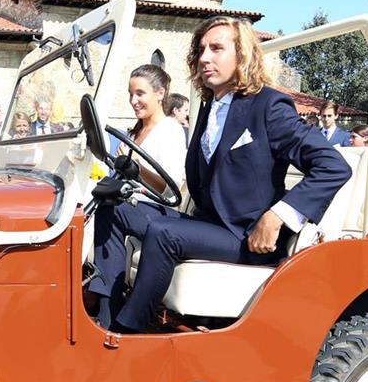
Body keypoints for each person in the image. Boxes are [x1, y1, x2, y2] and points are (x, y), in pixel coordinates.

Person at [101, 17, 352, 334]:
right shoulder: (209, 107)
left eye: (217, 48)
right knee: (115, 207)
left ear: (242, 54)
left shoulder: (269, 106)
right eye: (202, 49)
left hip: (246, 236)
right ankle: (104, 313)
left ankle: (129, 331)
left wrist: (277, 216)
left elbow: (333, 166)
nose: (205, 57)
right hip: (208, 223)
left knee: (165, 233)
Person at [87, 65, 188, 329]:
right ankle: (96, 294)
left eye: (140, 93)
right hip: (134, 208)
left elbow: (170, 187)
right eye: (131, 94)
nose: (134, 101)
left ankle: (105, 308)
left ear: (160, 93)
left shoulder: (170, 130)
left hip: (159, 211)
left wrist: (136, 167)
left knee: (112, 210)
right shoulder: (134, 133)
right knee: (96, 205)